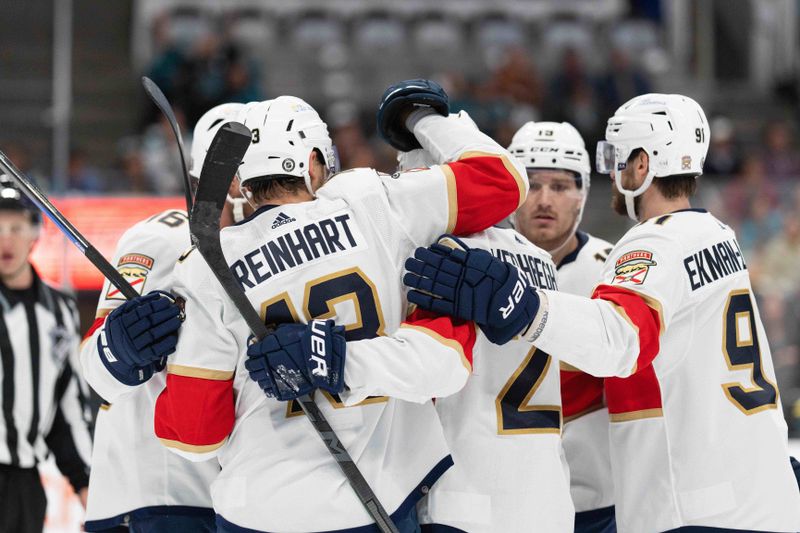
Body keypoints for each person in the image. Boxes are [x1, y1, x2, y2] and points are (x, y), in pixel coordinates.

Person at [404, 94, 800, 532]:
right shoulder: (719, 235)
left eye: (616, 158)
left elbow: (619, 338)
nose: (613, 173)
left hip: (695, 506)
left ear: (643, 166)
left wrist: (519, 304)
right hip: (761, 494)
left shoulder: (653, 244)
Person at [152, 80, 529, 532]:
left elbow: (195, 436)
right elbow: (502, 180)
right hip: (375, 499)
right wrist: (421, 119)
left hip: (256, 507)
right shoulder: (376, 201)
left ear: (243, 180)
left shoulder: (204, 266)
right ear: (313, 162)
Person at [395, 129, 573, 532]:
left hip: (467, 498)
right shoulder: (540, 257)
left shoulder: (438, 252)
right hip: (548, 497)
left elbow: (422, 369)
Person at [79, 103, 245, 533]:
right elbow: (98, 372)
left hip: (237, 496)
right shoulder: (159, 238)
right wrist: (122, 347)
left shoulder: (270, 248)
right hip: (157, 495)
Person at [509, 121, 616, 532]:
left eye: (560, 185)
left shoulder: (616, 273)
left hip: (599, 505)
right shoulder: (475, 267)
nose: (544, 199)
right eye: (531, 184)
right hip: (508, 506)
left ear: (583, 194)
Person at [0, 177, 93, 533]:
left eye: (15, 227)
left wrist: (87, 486)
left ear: (33, 233)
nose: (5, 238)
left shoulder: (59, 310)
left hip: (26, 486)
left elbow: (68, 407)